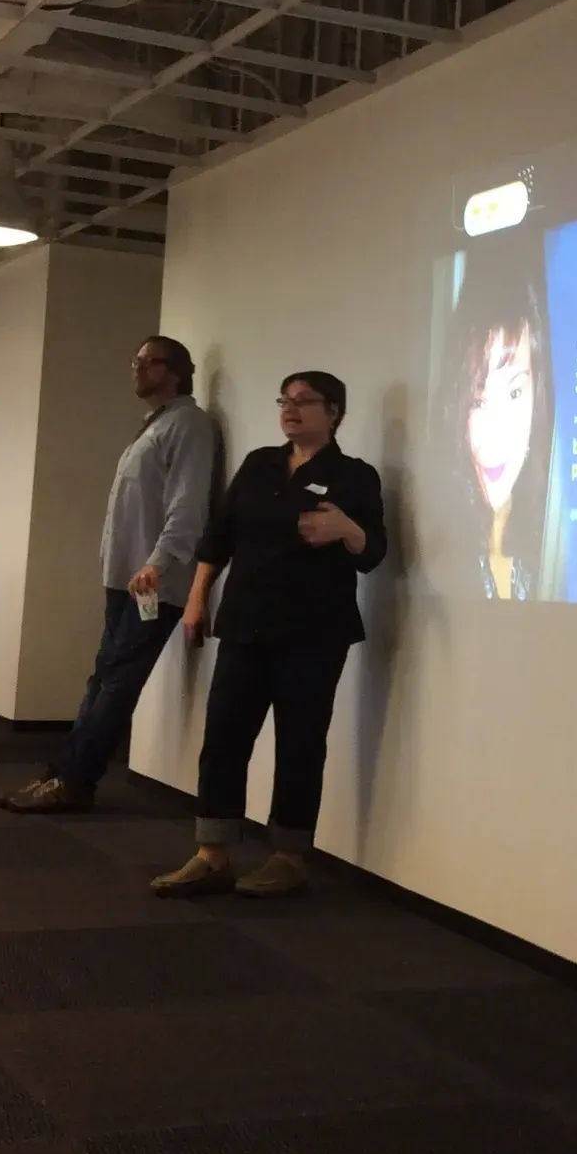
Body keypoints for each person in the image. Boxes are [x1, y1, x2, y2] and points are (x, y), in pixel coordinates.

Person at [150, 370, 386, 900]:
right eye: (284, 400)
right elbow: (220, 537)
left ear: (334, 412)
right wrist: (197, 599)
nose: (290, 409)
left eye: (304, 401)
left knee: (300, 744)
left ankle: (288, 857)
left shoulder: (354, 476)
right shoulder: (260, 464)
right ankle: (212, 854)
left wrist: (345, 529)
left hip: (314, 632)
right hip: (244, 623)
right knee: (224, 737)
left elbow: (374, 553)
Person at [0, 335, 215, 814]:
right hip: (125, 581)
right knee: (103, 678)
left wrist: (157, 562)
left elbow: (188, 506)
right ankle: (61, 773)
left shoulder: (189, 425)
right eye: (135, 360)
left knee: (117, 682)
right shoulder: (155, 423)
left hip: (155, 582)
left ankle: (75, 782)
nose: (136, 368)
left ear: (175, 371)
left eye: (148, 362)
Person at [436, 239, 555, 601]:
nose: (495, 434)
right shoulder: (435, 531)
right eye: (478, 402)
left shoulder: (550, 535)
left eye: (515, 393)